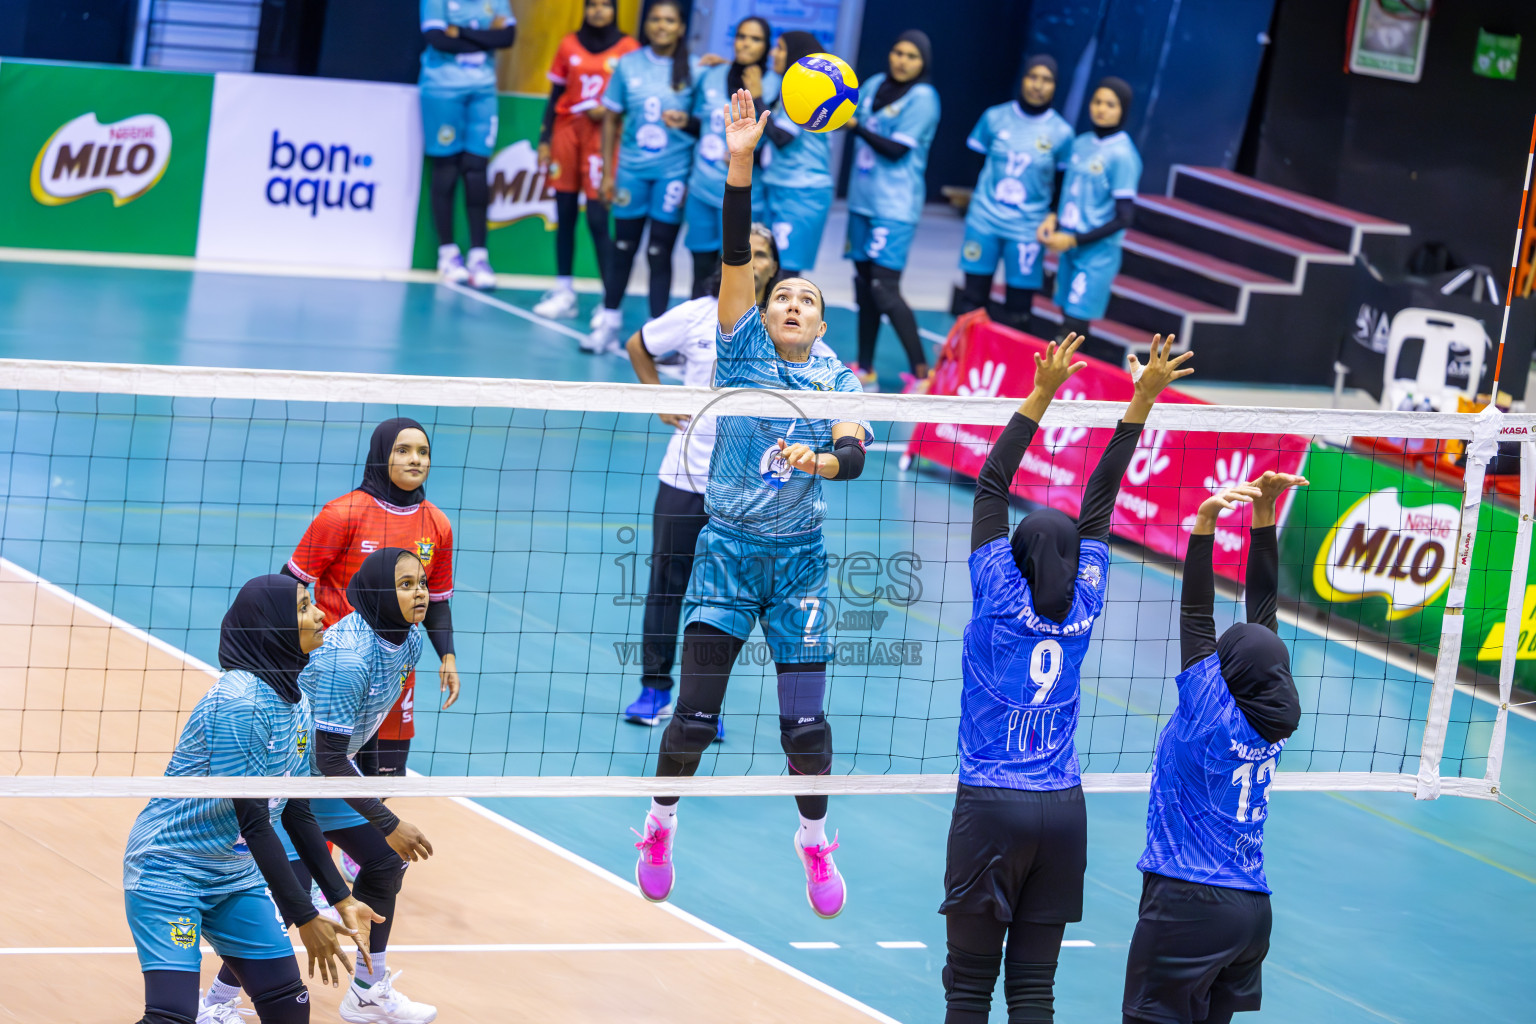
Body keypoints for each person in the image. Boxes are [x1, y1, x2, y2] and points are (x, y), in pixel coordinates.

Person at [631, 89, 869, 919]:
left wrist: (825, 458)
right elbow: (737, 254)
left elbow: (854, 449)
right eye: (781, 298)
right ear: (762, 314)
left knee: (804, 731)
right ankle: (659, 824)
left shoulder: (837, 375)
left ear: (822, 320)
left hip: (799, 559)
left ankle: (814, 842)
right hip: (728, 553)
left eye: (806, 299)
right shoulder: (739, 352)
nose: (792, 304)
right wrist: (739, 161)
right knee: (694, 718)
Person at [941, 334, 1192, 1024]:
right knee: (1033, 993)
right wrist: (1143, 400)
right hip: (1062, 812)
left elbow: (993, 484)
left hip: (992, 804)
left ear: (1016, 558)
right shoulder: (1086, 600)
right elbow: (1100, 506)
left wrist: (1044, 391)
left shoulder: (997, 594)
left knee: (967, 989)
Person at [125, 575, 383, 1024]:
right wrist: (304, 916)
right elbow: (255, 821)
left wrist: (340, 897)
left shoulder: (296, 701)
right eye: (305, 607)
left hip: (232, 876)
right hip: (171, 871)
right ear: (274, 625)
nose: (322, 614)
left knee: (288, 1005)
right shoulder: (240, 702)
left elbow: (297, 808)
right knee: (171, 1017)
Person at [622, 221, 838, 734]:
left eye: (766, 255)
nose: (756, 262)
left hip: (753, 498)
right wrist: (660, 399)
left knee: (729, 603)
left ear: (775, 267)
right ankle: (655, 690)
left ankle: (703, 705)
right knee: (667, 586)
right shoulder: (699, 317)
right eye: (750, 253)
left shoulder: (792, 332)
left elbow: (834, 385)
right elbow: (639, 345)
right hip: (687, 475)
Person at [1122, 472, 1306, 1024]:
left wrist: (1203, 528)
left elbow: (1197, 617)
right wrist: (1264, 518)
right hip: (1251, 911)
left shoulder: (1210, 712)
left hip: (1188, 901)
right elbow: (1264, 621)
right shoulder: (1271, 718)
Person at [284, 418, 459, 784]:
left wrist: (448, 656)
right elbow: (290, 585)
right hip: (335, 672)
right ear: (382, 456)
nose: (416, 460)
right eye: (403, 450)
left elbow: (437, 601)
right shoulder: (342, 514)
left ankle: (358, 843)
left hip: (395, 674)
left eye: (423, 452)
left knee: (383, 783)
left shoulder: (438, 525)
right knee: (315, 783)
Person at [585, 0, 700, 353]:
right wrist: (607, 171)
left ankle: (658, 338)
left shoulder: (695, 69)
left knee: (658, 252)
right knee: (623, 249)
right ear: (646, 23)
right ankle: (608, 322)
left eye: (669, 20)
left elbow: (703, 124)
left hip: (673, 174)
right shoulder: (628, 64)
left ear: (681, 27)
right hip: (631, 173)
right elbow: (610, 119)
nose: (661, 26)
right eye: (655, 19)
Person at [844, 30, 941, 391]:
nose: (902, 60)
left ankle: (922, 373)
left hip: (894, 207)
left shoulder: (924, 98)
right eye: (898, 52)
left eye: (912, 56)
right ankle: (865, 368)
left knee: (884, 288)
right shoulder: (870, 86)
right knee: (863, 287)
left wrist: (855, 126)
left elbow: (897, 150)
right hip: (861, 202)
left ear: (923, 63)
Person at [532, 0, 638, 322]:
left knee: (596, 218)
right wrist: (545, 138)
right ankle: (564, 291)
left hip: (603, 137)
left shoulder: (628, 48)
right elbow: (555, 95)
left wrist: (609, 113)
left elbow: (635, 98)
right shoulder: (568, 43)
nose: (598, 10)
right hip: (567, 131)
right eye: (593, 4)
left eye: (606, 5)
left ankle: (609, 301)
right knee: (564, 213)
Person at [955, 56, 1074, 331]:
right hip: (984, 220)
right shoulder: (995, 117)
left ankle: (1007, 370)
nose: (1038, 85)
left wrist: (1052, 216)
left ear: (1055, 86)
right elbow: (974, 162)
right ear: (1023, 79)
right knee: (972, 299)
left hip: (1028, 228)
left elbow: (1062, 181)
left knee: (1019, 308)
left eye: (1046, 80)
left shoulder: (1062, 132)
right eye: (1033, 77)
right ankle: (965, 368)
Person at [419, 0, 517, 290]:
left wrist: (459, 32)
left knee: (476, 169)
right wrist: (484, 40)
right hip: (442, 88)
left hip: (483, 90)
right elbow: (436, 39)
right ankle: (447, 253)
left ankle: (478, 255)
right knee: (446, 167)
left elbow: (507, 38)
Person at [1039, 77, 1142, 343]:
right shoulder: (1081, 143)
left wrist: (1074, 238)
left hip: (1096, 253)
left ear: (1123, 110)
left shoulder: (1123, 155)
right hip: (1068, 248)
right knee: (1064, 316)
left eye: (1110, 104)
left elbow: (1124, 217)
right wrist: (1053, 218)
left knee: (1072, 329)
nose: (1101, 109)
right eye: (1097, 102)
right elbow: (1065, 191)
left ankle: (1072, 384)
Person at [681, 16, 776, 298]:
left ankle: (729, 339)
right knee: (700, 267)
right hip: (702, 187)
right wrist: (681, 121)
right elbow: (703, 125)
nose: (746, 43)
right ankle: (695, 336)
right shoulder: (712, 75)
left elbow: (776, 142)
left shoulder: (774, 85)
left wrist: (744, 157)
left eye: (755, 39)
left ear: (767, 46)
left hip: (744, 194)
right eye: (742, 36)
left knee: (734, 270)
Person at [761, 31, 835, 278]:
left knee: (784, 274)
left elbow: (782, 138)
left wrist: (756, 97)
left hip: (803, 191)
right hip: (779, 185)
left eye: (780, 48)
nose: (774, 53)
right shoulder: (788, 87)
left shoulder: (810, 89)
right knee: (767, 270)